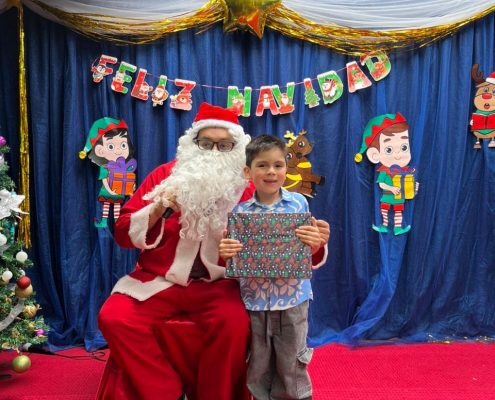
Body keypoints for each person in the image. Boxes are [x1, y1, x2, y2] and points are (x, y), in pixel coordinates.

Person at [97, 102, 255, 400]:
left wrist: (310, 242)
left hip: (217, 285)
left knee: (234, 325)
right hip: (159, 281)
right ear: (192, 143)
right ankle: (165, 392)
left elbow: (270, 243)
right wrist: (158, 208)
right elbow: (123, 233)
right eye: (206, 143)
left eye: (224, 145)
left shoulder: (247, 188)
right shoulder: (164, 176)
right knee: (113, 317)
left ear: (237, 149)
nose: (214, 152)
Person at [219, 134, 329, 400]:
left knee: (292, 360)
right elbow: (234, 260)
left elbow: (308, 250)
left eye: (278, 165)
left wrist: (316, 242)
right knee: (258, 362)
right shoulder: (240, 213)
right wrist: (226, 254)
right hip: (255, 300)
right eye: (262, 165)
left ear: (286, 169)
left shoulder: (299, 204)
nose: (271, 171)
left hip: (293, 299)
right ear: (248, 172)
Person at [354, 112, 419, 235]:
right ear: (374, 155)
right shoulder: (384, 172)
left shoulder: (406, 172)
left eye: (404, 147)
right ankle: (384, 225)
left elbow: (407, 187)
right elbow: (381, 184)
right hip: (387, 196)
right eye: (389, 150)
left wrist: (413, 188)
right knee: (385, 210)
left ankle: (397, 228)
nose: (398, 155)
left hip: (399, 198)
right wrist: (391, 188)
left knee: (398, 212)